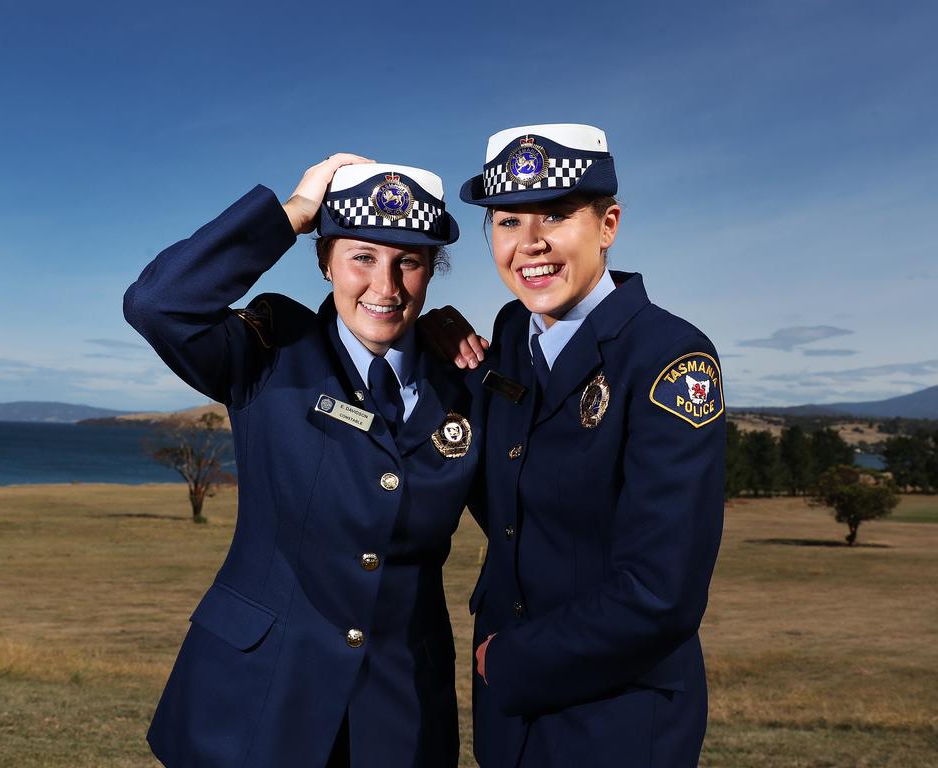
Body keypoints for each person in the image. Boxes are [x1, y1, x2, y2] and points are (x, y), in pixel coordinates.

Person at [123, 154, 482, 768]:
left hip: (399, 714)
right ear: (324, 260)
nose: (386, 286)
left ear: (432, 270)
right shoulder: (272, 349)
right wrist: (293, 210)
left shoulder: (466, 386)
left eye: (410, 263)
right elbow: (158, 303)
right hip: (257, 699)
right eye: (361, 257)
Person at [429, 123, 726, 766]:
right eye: (507, 221)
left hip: (615, 717)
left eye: (556, 216)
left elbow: (661, 591)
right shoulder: (511, 332)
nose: (528, 243)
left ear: (608, 224)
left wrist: (510, 659)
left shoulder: (670, 357)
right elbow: (512, 490)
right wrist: (445, 356)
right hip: (512, 721)